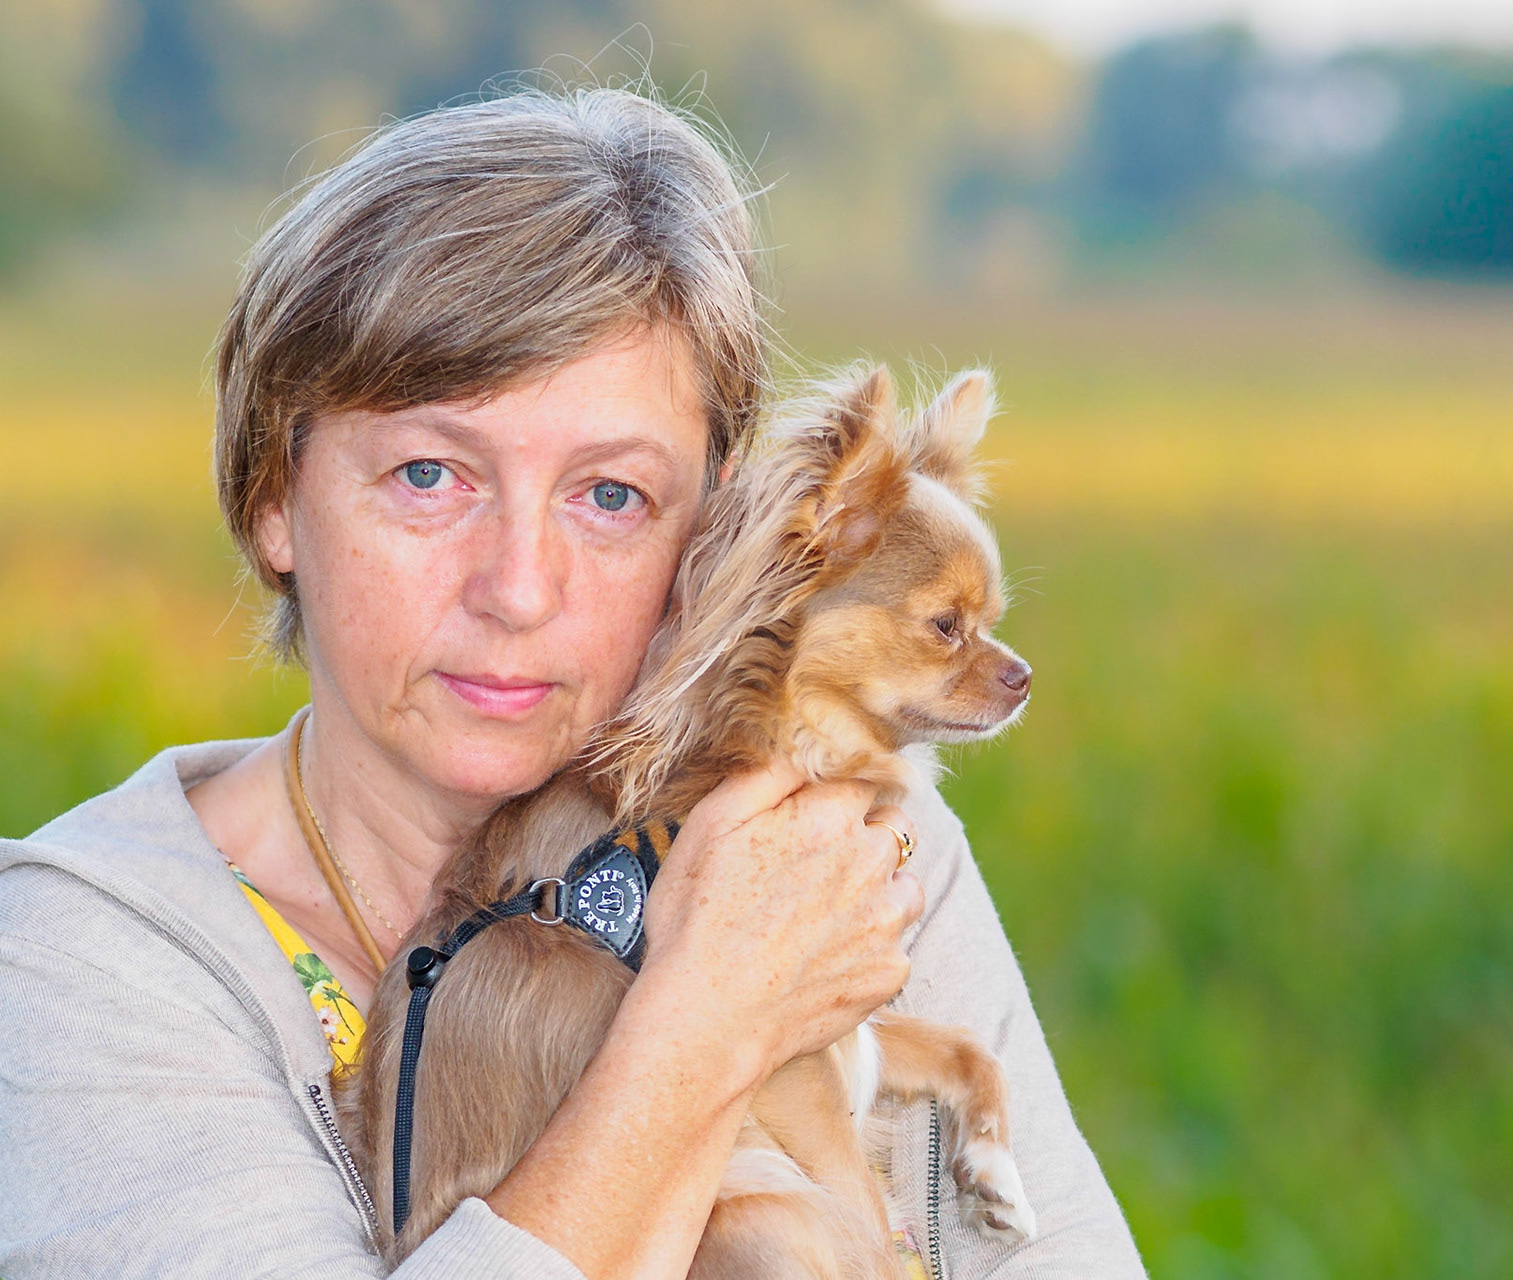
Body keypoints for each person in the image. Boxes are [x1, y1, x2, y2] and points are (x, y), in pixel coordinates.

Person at [0, 88, 1145, 1279]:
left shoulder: (843, 853)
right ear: (272, 497)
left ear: (722, 532)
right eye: (430, 473)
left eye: (611, 496)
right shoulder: (79, 965)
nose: (519, 587)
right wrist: (704, 1029)